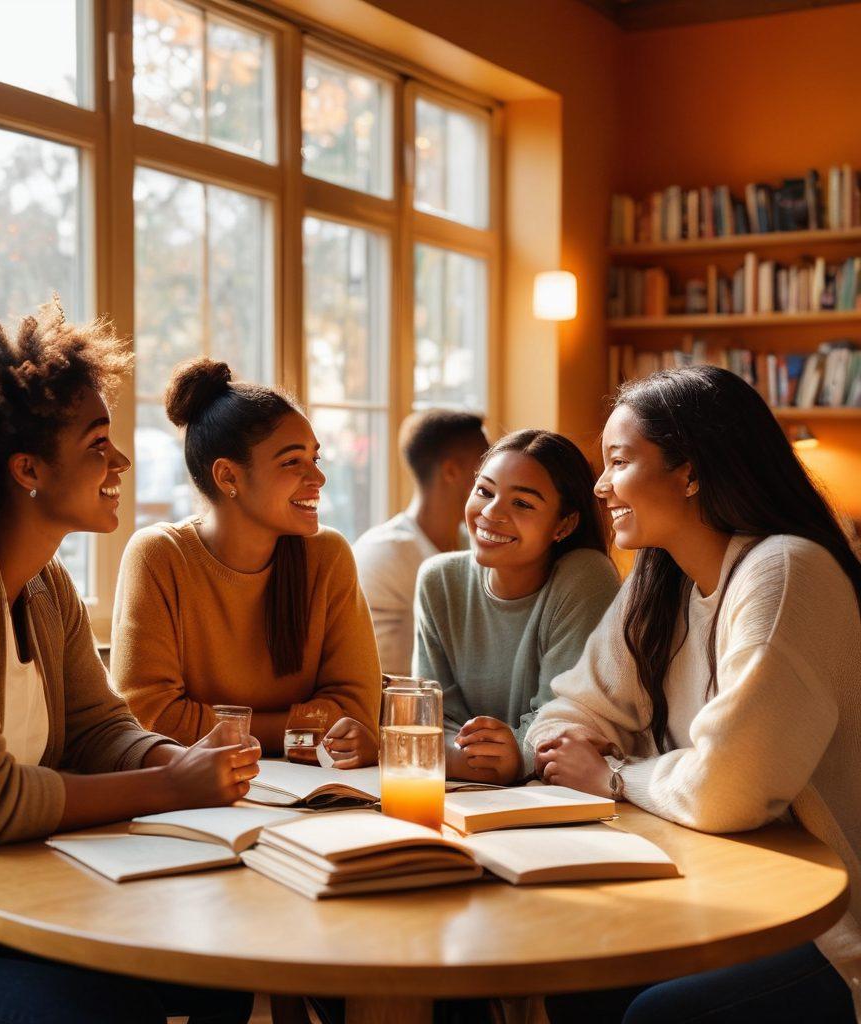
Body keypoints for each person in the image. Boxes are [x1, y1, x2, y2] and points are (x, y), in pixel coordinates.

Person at [0, 303, 259, 1024]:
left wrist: (185, 759)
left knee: (216, 969)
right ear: (27, 468)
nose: (120, 460)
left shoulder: (40, 577)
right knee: (103, 1013)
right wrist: (169, 786)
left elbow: (98, 730)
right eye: (99, 442)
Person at [527, 366, 860, 1023]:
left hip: (829, 923)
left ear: (689, 472)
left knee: (661, 1016)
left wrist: (615, 776)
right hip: (715, 885)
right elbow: (567, 716)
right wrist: (580, 755)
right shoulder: (661, 579)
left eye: (619, 462)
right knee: (573, 973)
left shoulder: (785, 572)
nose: (599, 486)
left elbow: (728, 787)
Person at [111, 357, 382, 767]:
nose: (318, 478)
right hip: (197, 794)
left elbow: (356, 713)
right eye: (293, 461)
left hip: (312, 792)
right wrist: (302, 727)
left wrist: (219, 724)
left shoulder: (328, 555)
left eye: (315, 458)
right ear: (228, 477)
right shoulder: (160, 556)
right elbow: (150, 718)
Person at [413, 429, 620, 785]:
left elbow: (559, 725)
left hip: (562, 798)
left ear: (564, 524)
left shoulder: (584, 575)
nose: (491, 513)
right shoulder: (439, 580)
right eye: (484, 491)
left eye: (522, 503)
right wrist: (489, 758)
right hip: (466, 793)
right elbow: (428, 722)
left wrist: (517, 754)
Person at [352, 410, 489, 676]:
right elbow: (378, 680)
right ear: (451, 471)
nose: (495, 475)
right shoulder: (386, 554)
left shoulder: (473, 545)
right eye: (484, 465)